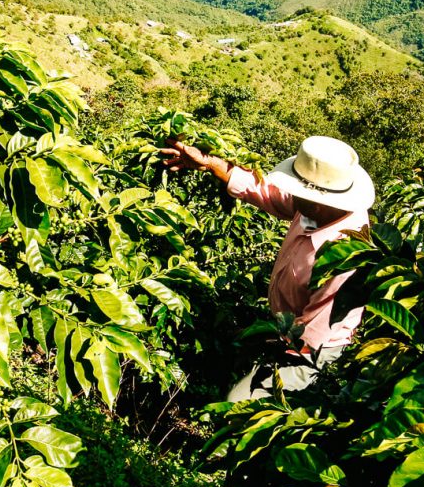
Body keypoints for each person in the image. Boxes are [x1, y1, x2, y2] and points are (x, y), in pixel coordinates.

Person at [160, 134, 374, 401]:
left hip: (313, 350)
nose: (291, 194)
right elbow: (265, 191)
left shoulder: (344, 258)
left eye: (298, 191)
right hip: (286, 328)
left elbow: (312, 335)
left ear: (318, 201)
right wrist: (208, 162)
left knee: (237, 403)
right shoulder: (316, 209)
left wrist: (266, 344)